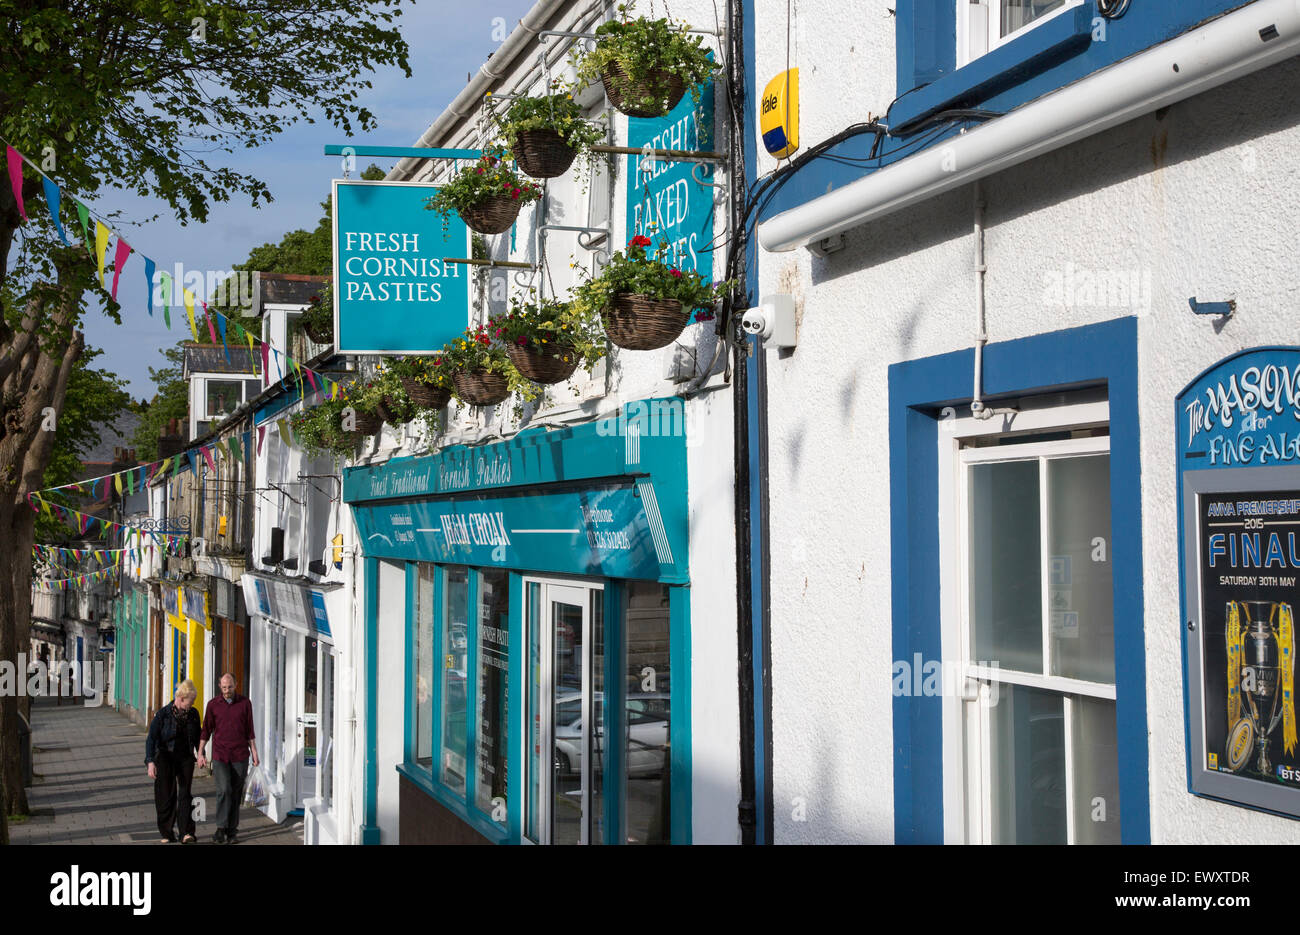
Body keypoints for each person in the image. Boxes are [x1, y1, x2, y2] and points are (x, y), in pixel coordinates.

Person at [197, 673, 259, 844]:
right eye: (223, 687)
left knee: (235, 793)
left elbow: (250, 731)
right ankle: (220, 828)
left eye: (229, 687)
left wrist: (254, 752)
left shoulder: (245, 704)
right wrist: (201, 752)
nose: (226, 691)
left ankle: (232, 831)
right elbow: (206, 730)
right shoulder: (213, 705)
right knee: (224, 790)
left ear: (236, 684)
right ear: (219, 686)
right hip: (220, 755)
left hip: (240, 755)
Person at [145, 679, 202, 844]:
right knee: (166, 795)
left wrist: (201, 753)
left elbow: (198, 736)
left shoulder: (193, 714)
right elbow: (151, 739)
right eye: (190, 702)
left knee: (185, 794)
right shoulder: (163, 714)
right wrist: (150, 762)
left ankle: (186, 833)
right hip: (165, 757)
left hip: (185, 757)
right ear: (181, 698)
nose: (191, 705)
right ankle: (167, 832)